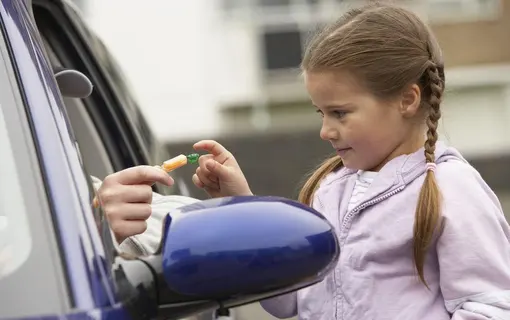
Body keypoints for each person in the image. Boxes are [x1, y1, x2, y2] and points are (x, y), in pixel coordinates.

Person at [95, 3, 510, 319]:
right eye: (321, 113)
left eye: (340, 113)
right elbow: (288, 299)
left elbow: (489, 306)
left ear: (407, 99)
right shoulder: (329, 188)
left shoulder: (450, 190)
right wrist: (243, 204)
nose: (326, 131)